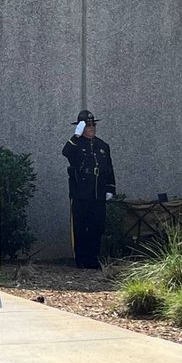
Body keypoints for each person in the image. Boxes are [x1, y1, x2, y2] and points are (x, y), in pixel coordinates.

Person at [62, 110, 116, 269]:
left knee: (97, 226)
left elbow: (109, 168)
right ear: (81, 127)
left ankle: (93, 258)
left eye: (93, 125)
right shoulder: (76, 145)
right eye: (88, 125)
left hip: (98, 192)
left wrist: (110, 188)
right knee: (80, 226)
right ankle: (81, 259)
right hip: (81, 192)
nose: (92, 128)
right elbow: (66, 152)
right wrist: (76, 136)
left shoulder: (102, 146)